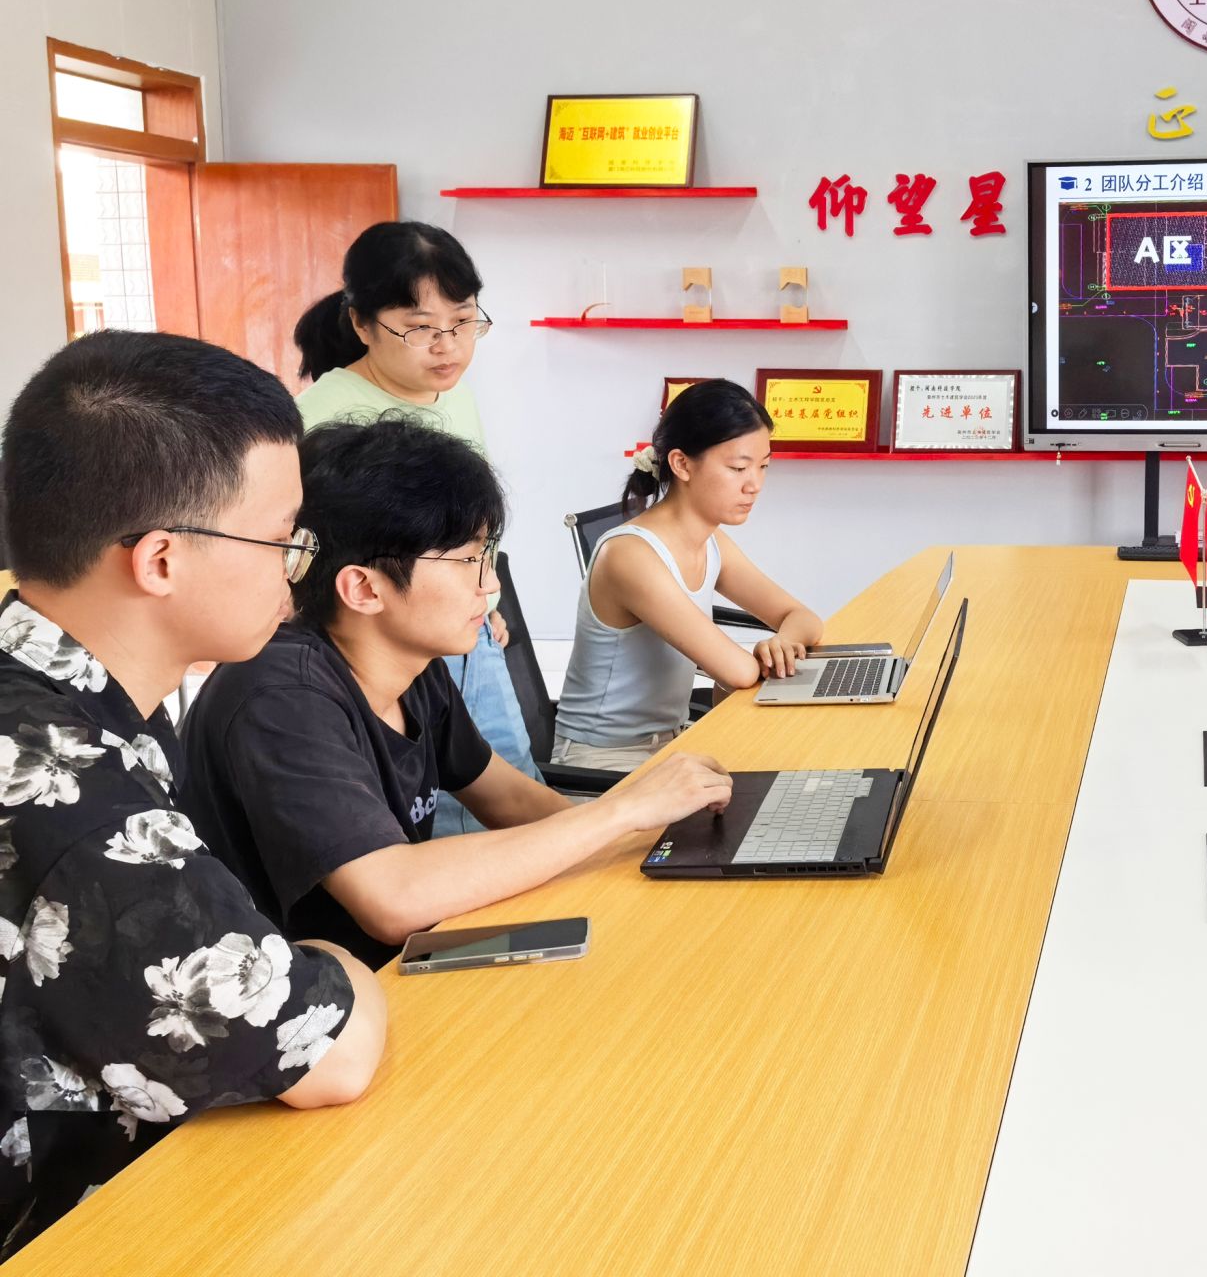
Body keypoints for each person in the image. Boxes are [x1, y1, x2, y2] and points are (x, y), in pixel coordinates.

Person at [0, 332, 386, 1253]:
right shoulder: (75, 795)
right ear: (161, 560)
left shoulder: (51, 689)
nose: (295, 564)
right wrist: (334, 956)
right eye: (281, 538)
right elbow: (326, 1055)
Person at [177, 418, 733, 968]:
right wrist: (623, 811)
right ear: (364, 588)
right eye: (467, 559)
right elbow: (394, 899)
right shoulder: (281, 696)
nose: (490, 584)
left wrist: (645, 843)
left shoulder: (412, 665)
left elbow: (509, 800)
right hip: (317, 997)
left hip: (397, 964)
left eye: (485, 554)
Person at [292, 220, 537, 834]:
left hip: (462, 629)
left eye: (463, 321)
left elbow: (467, 524)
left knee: (513, 788)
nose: (447, 346)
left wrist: (481, 597)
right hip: (383, 650)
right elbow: (299, 559)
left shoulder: (455, 394)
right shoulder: (321, 418)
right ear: (361, 324)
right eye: (420, 328)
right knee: (439, 822)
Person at [552, 380, 824, 772]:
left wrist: (782, 642)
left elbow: (804, 618)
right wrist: (767, 653)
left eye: (763, 466)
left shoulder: (712, 542)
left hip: (672, 744)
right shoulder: (630, 555)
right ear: (681, 464)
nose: (755, 484)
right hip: (603, 763)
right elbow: (738, 672)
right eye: (738, 468)